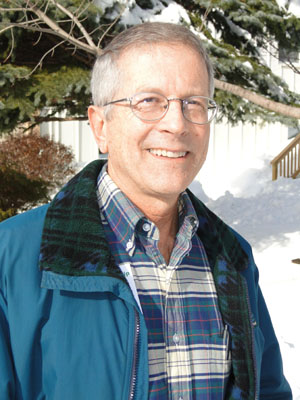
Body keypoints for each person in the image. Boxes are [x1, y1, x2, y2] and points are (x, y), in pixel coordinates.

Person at [0, 22, 292, 400]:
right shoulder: (13, 258)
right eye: (149, 101)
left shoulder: (231, 258)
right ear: (100, 125)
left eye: (194, 103)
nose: (176, 123)